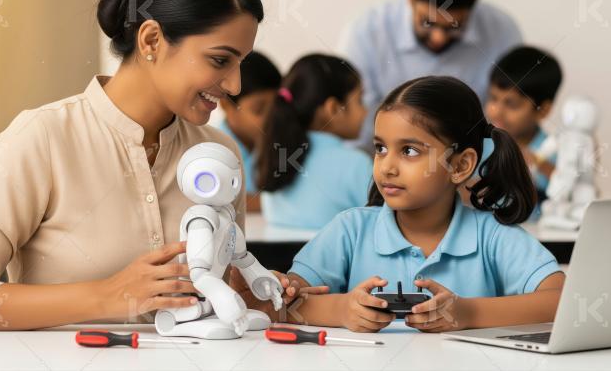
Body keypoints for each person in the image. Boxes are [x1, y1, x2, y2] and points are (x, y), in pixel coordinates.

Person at [0, 0, 303, 331]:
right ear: (151, 40)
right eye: (220, 60)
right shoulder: (40, 140)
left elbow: (224, 291)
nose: (235, 85)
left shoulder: (219, 152)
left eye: (242, 64)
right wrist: (108, 295)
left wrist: (250, 293)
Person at [284, 76, 564, 332]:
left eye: (409, 151)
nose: (387, 167)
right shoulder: (350, 230)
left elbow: (563, 301)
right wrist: (341, 310)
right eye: (380, 148)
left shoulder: (492, 235)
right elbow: (282, 303)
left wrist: (468, 313)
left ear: (460, 165)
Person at [339, 0, 522, 152]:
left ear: (473, 8)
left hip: (472, 164)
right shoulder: (366, 33)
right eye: (427, 22)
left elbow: (508, 117)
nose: (439, 38)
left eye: (453, 26)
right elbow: (355, 124)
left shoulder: (503, 32)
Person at [255, 54, 371, 229]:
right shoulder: (356, 164)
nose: (366, 112)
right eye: (360, 100)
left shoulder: (272, 157)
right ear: (333, 109)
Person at [481, 46, 563, 217]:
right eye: (493, 98)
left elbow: (570, 192)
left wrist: (539, 165)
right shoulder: (479, 147)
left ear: (542, 110)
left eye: (512, 104)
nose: (497, 111)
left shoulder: (555, 150)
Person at [218, 51, 282, 212]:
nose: (270, 118)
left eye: (276, 108)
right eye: (259, 110)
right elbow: (218, 202)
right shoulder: (211, 148)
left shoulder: (281, 141)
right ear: (226, 106)